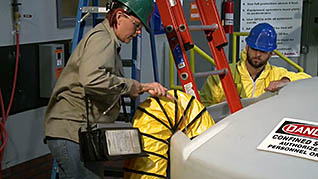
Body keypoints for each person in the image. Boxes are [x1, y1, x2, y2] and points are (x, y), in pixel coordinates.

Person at [44, 0, 171, 178]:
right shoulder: (101, 39)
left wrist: (142, 88)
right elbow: (92, 79)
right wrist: (135, 86)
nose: (138, 32)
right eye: (136, 25)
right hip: (72, 132)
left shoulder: (106, 40)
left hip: (77, 132)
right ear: (119, 17)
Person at [200, 22, 311, 106]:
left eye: (263, 51)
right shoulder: (222, 75)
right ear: (247, 47)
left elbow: (308, 80)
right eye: (254, 49)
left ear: (271, 53)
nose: (257, 54)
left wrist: (285, 81)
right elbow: (204, 107)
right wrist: (221, 107)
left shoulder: (276, 74)